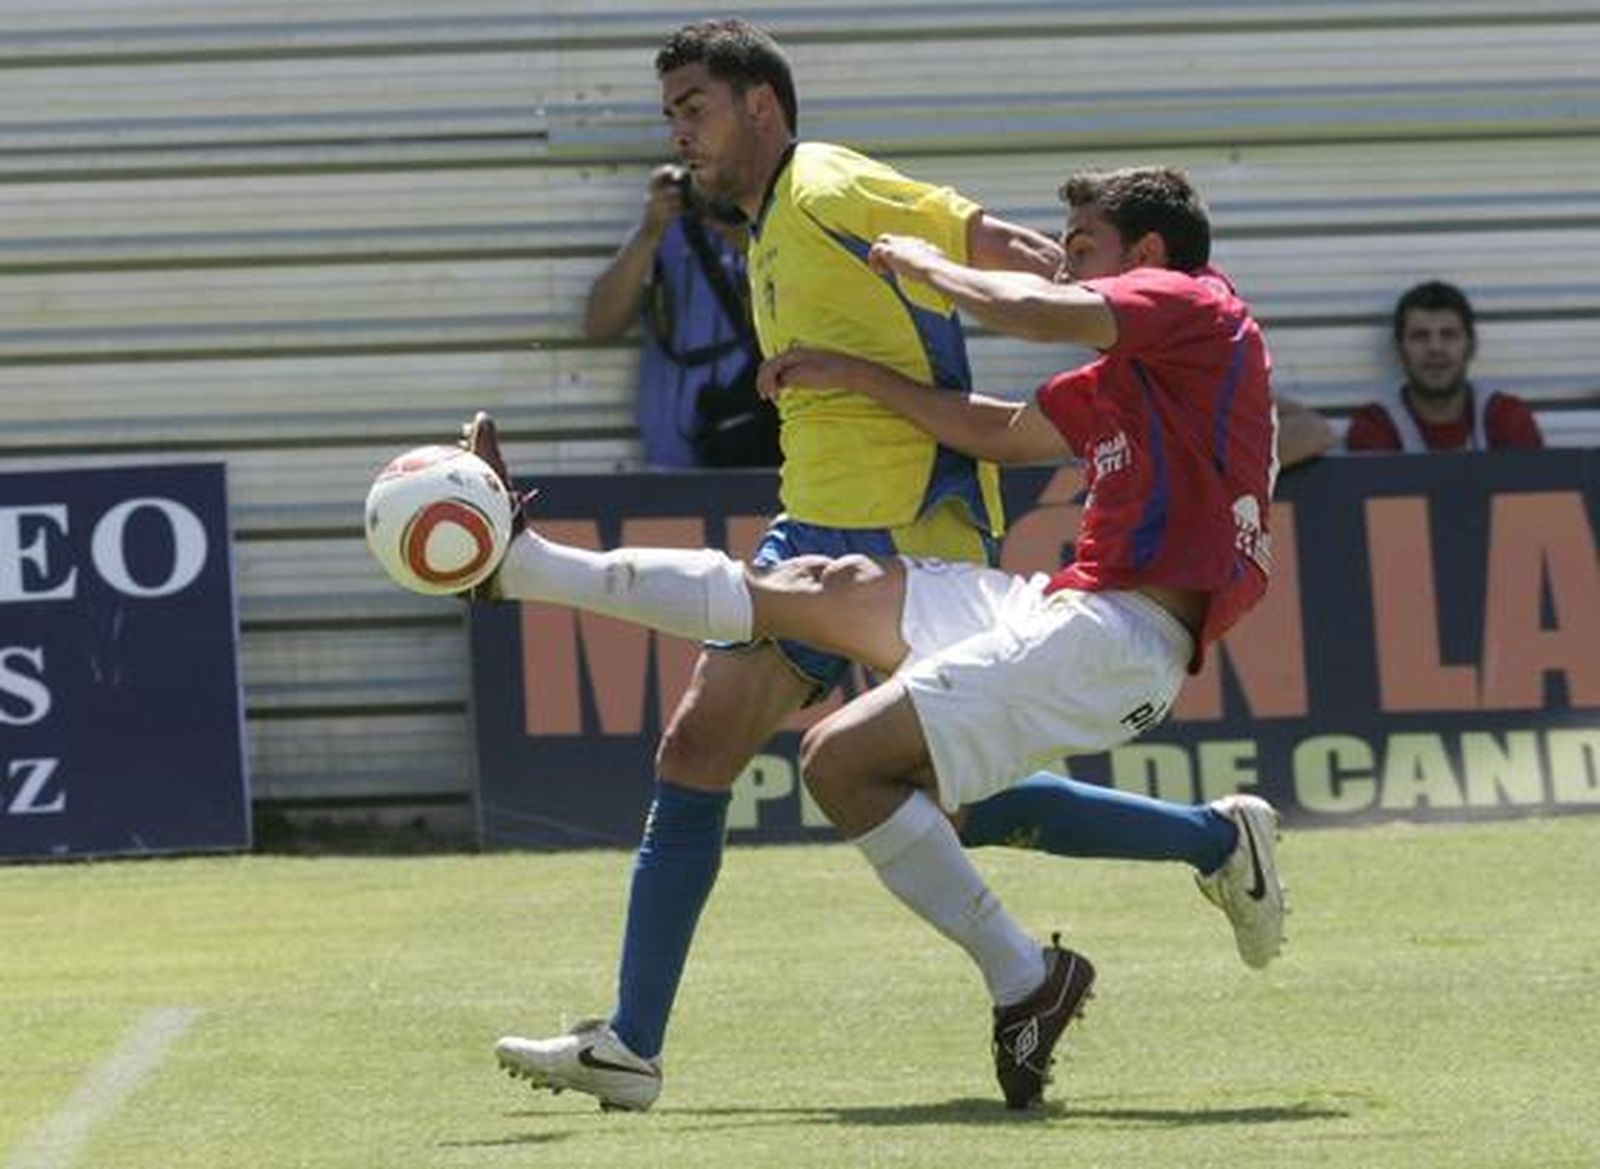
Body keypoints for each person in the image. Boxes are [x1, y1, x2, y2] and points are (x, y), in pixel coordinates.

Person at [473, 161, 1285, 1110]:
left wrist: (926, 265)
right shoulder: (1138, 368)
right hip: (1065, 607)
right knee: (817, 590)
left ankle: (1025, 976)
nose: (1066, 263)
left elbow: (1032, 310)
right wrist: (859, 375)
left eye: (1082, 246)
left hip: (1120, 641)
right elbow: (1003, 432)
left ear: (1145, 253)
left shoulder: (1194, 304)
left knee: (841, 762)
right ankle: (524, 565)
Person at [583, 163, 779, 469]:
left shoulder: (779, 230)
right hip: (671, 463)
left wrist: (749, 243)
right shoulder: (665, 232)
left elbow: (812, 319)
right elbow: (599, 324)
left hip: (758, 452)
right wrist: (649, 233)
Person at [1346, 280, 1544, 452]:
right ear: (1400, 350)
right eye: (1420, 336)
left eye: (1449, 335)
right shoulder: (1375, 424)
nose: (1435, 348)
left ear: (1471, 346)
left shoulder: (1505, 416)